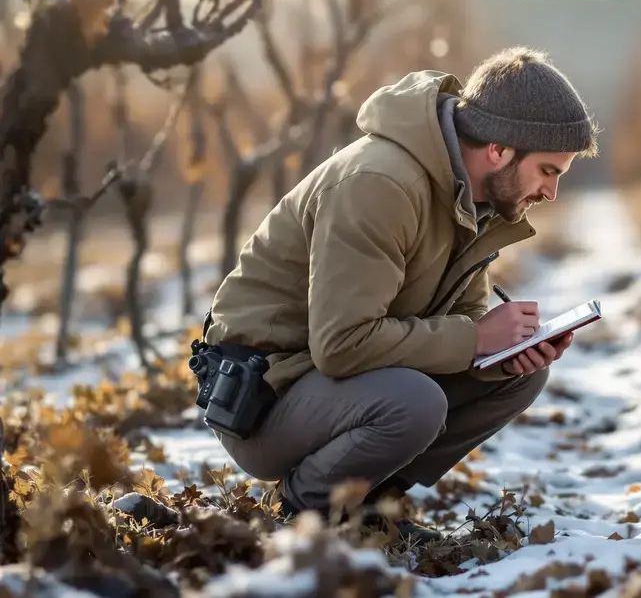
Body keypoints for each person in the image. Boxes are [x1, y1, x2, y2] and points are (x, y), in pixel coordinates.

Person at [198, 46, 599, 542]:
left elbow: (459, 323)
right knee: (415, 402)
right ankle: (301, 510)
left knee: (520, 377)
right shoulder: (379, 184)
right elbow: (342, 344)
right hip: (264, 399)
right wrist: (477, 339)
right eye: (548, 171)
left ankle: (366, 502)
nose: (551, 193)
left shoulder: (472, 200)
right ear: (498, 149)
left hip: (334, 384)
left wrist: (505, 353)